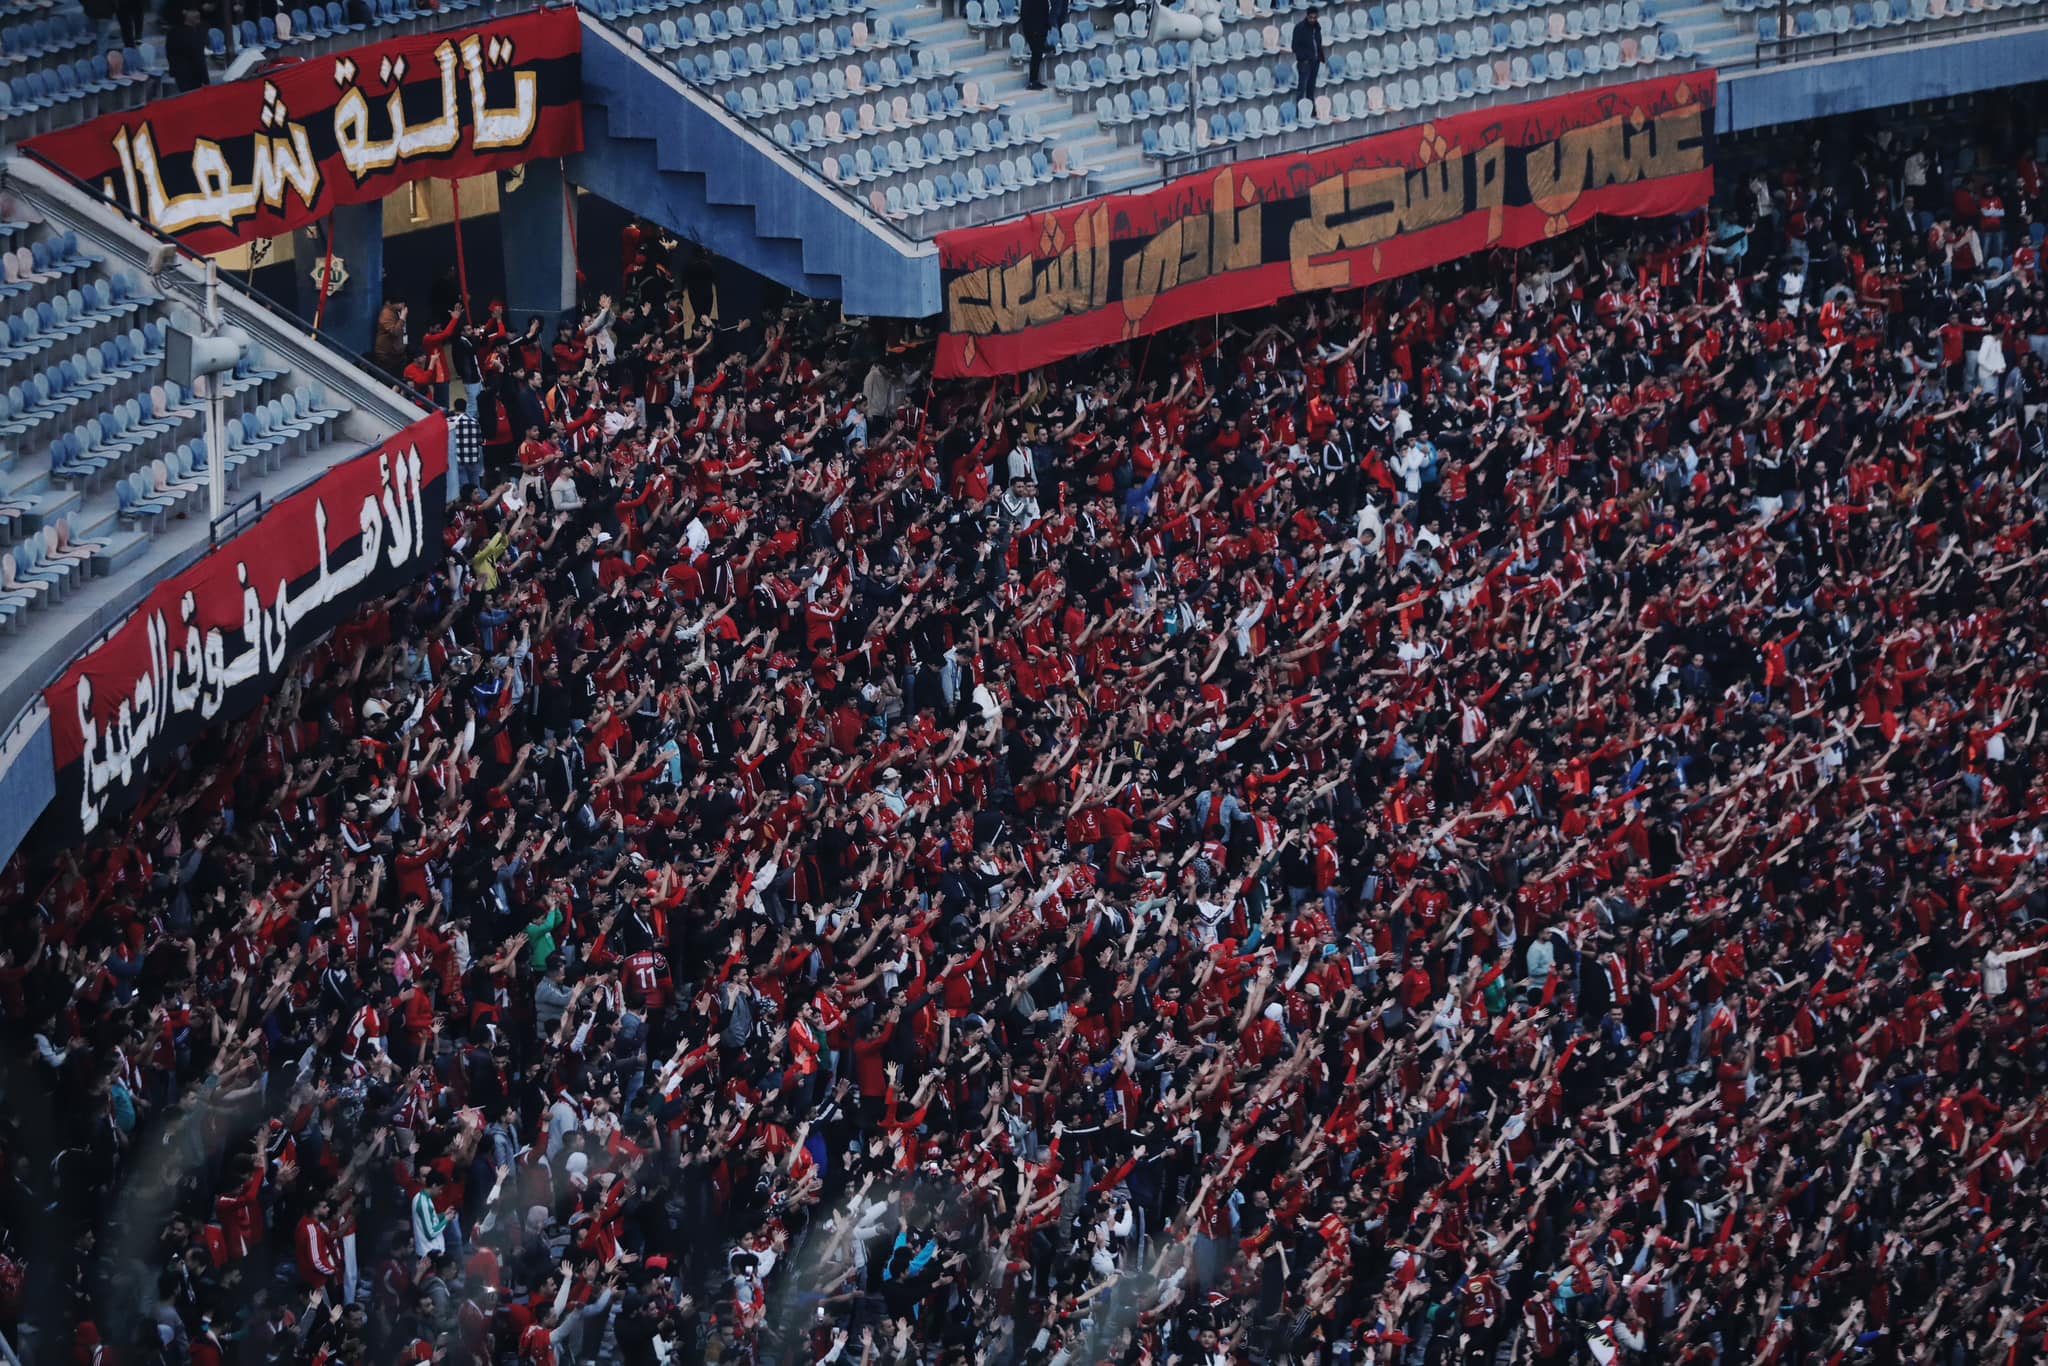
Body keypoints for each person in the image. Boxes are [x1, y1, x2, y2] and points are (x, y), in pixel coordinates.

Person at [164, 6, 208, 91]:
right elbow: (171, 55)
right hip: (185, 75)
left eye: (197, 11)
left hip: (198, 74)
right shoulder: (175, 33)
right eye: (193, 11)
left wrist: (205, 78)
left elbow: (200, 56)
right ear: (185, 12)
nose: (197, 14)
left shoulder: (199, 30)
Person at [1291, 6, 1325, 102]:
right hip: (1305, 63)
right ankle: (1299, 111)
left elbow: (1318, 42)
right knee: (1302, 88)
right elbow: (1294, 46)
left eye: (1315, 17)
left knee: (1311, 87)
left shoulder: (1317, 27)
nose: (1312, 19)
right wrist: (1304, 58)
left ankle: (1311, 109)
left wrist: (1319, 57)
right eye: (1311, 17)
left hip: (1315, 61)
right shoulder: (1299, 28)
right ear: (1307, 16)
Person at [1020, 0, 1050, 89]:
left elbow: (1045, 11)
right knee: (1036, 53)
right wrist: (1033, 29)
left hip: (1041, 28)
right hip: (1032, 29)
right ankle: (1032, 81)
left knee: (1038, 54)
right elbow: (1025, 15)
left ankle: (1035, 80)